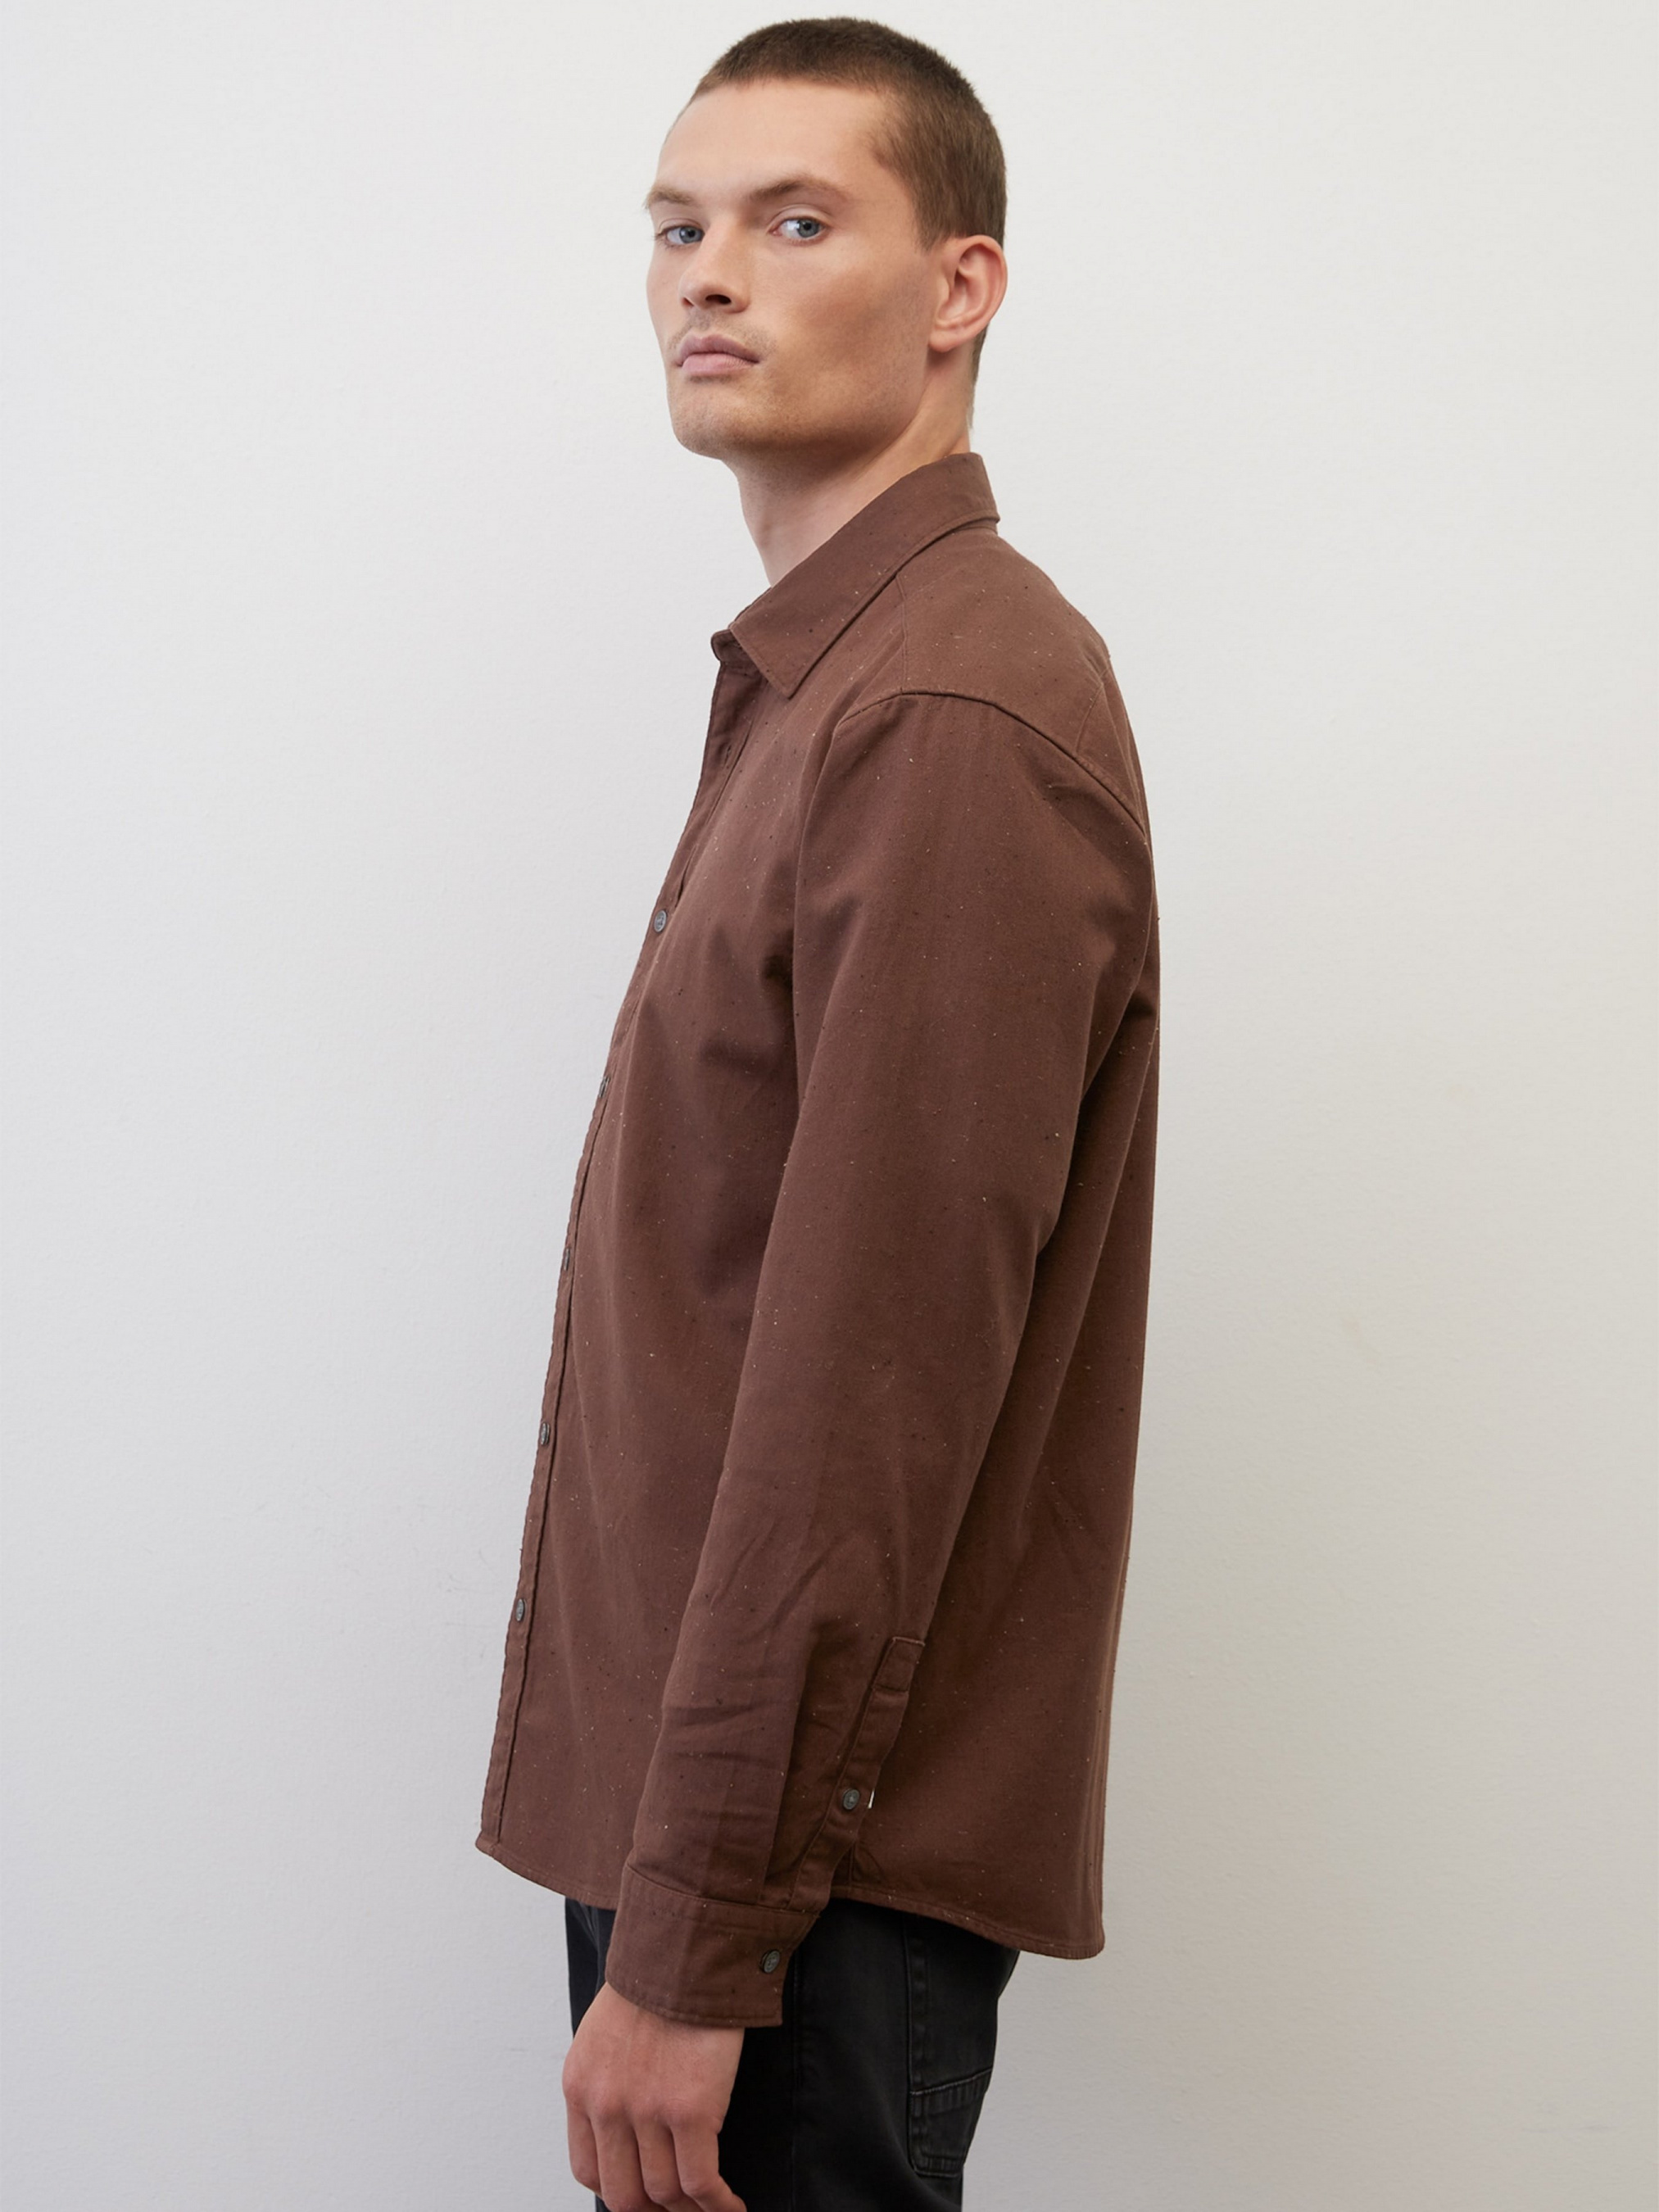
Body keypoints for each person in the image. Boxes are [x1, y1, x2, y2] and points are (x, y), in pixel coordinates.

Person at [476, 19, 1160, 2210]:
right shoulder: (834, 685)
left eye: (792, 221)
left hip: (786, 1893)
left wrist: (697, 1938)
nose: (707, 274)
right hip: (740, 1847)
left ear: (962, 285)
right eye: (677, 227)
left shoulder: (941, 711)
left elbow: (870, 1393)